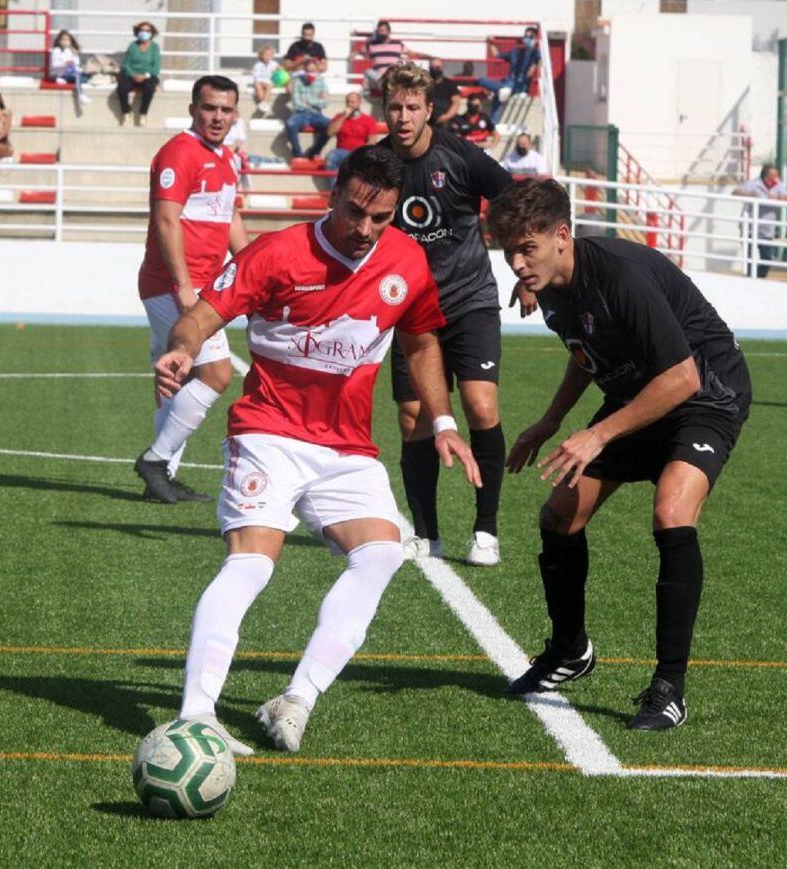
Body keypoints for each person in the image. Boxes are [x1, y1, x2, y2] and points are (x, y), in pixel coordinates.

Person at [161, 145, 481, 754]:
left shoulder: (406, 262)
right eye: (355, 212)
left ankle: (296, 697)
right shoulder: (276, 254)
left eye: (379, 218)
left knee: (382, 554)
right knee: (252, 564)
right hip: (268, 432)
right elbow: (204, 315)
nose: (364, 229)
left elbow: (420, 344)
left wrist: (442, 420)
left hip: (346, 446)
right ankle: (197, 716)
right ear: (333, 195)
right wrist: (182, 348)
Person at [490, 178, 752, 731]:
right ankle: (568, 651)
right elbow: (586, 353)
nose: (516, 263)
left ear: (563, 235)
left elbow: (681, 378)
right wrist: (553, 420)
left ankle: (668, 688)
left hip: (706, 391)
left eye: (526, 248)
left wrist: (598, 434)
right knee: (560, 513)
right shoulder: (549, 284)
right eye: (508, 250)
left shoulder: (620, 275)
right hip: (639, 394)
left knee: (672, 511)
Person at [378, 62, 532, 566]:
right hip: (409, 309)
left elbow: (517, 205)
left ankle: (485, 531)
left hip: (469, 298)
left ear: (429, 110)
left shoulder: (461, 156)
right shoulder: (375, 164)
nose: (403, 117)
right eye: (395, 107)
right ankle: (427, 535)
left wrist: (526, 272)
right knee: (412, 418)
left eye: (412, 108)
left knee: (481, 408)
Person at [134, 76, 249, 504]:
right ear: (193, 109)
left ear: (235, 114)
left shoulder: (226, 159)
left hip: (204, 285)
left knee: (174, 379)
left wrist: (255, 272)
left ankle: (160, 478)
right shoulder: (179, 153)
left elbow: (231, 222)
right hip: (175, 286)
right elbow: (166, 221)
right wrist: (184, 286)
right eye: (209, 108)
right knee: (216, 374)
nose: (217, 117)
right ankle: (156, 460)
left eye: (225, 109)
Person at [732, 164, 787, 279]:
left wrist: (778, 198)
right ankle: (750, 279)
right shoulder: (753, 184)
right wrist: (749, 195)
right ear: (765, 176)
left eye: (776, 176)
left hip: (767, 230)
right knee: (749, 258)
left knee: (767, 257)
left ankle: (760, 278)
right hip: (750, 228)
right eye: (772, 176)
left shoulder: (778, 185)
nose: (775, 178)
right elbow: (735, 192)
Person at [477, 26, 541, 124]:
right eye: (525, 36)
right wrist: (490, 42)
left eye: (530, 37)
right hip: (507, 82)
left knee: (500, 93)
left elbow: (543, 65)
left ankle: (493, 123)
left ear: (536, 38)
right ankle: (493, 123)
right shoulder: (516, 52)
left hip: (519, 86)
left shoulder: (537, 53)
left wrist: (535, 64)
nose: (527, 39)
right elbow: (497, 55)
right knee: (482, 80)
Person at [324, 92, 378, 186]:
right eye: (348, 102)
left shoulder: (368, 120)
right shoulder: (339, 117)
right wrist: (344, 116)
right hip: (342, 152)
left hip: (359, 152)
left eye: (353, 102)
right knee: (331, 157)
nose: (350, 104)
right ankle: (333, 192)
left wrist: (361, 152)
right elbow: (330, 132)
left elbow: (372, 141)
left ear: (359, 103)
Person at [118, 21, 161, 126]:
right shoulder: (133, 46)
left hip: (148, 76)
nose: (144, 32)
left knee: (149, 88)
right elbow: (126, 64)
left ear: (152, 33)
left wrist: (145, 75)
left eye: (147, 30)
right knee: (122, 87)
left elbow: (156, 67)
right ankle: (126, 113)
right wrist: (133, 74)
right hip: (132, 75)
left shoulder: (155, 47)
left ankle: (143, 114)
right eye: (142, 30)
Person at [285, 59, 330, 159]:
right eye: (308, 71)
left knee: (331, 125)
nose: (310, 74)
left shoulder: (321, 82)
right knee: (290, 124)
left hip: (316, 114)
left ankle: (315, 152)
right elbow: (297, 103)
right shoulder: (298, 81)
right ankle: (297, 154)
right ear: (305, 70)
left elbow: (326, 103)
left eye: (313, 71)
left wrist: (309, 101)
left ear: (317, 71)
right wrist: (318, 101)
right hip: (301, 113)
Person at [363, 20, 409, 93]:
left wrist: (429, 57)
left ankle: (385, 85)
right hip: (378, 77)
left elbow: (411, 53)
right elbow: (362, 52)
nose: (380, 33)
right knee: (367, 72)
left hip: (393, 75)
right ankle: (383, 84)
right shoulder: (371, 44)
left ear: (389, 31)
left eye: (382, 31)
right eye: (379, 31)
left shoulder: (398, 44)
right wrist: (354, 53)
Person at [49, 29, 91, 107]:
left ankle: (66, 80)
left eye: (67, 39)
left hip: (71, 72)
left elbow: (76, 63)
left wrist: (74, 57)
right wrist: (64, 63)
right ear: (59, 40)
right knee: (77, 76)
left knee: (86, 77)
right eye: (63, 39)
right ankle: (80, 95)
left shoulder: (71, 50)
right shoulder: (56, 51)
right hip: (60, 72)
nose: (65, 41)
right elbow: (54, 65)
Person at [428, 58, 461, 128]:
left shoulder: (450, 84)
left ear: (442, 68)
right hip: (427, 120)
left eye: (437, 67)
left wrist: (446, 117)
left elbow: (456, 103)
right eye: (432, 67)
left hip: (446, 121)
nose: (435, 70)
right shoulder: (424, 84)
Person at [251, 45, 279, 114]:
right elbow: (256, 76)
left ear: (272, 56)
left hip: (270, 82)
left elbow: (278, 72)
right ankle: (263, 103)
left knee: (270, 85)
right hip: (260, 81)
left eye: (270, 55)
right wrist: (260, 82)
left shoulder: (274, 64)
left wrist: (278, 70)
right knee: (258, 86)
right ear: (261, 55)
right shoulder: (257, 65)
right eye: (266, 54)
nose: (267, 56)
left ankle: (263, 103)